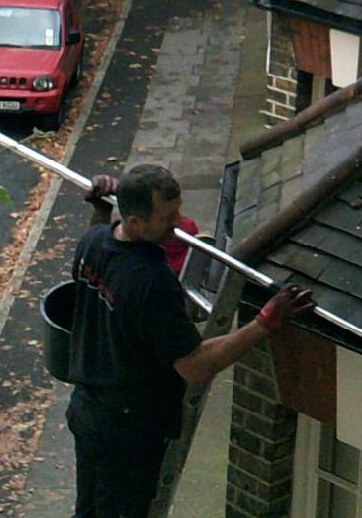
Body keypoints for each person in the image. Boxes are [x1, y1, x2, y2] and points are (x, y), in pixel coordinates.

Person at [67, 164, 313, 518]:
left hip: (88, 413)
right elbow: (194, 365)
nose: (179, 223)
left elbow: (99, 262)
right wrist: (264, 323)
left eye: (178, 210)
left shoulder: (93, 240)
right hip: (128, 433)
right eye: (167, 216)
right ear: (135, 222)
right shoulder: (152, 282)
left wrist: (102, 207)